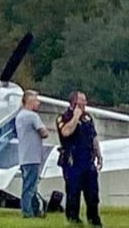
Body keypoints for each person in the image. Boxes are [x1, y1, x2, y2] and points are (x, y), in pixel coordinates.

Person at [56, 91, 103, 227]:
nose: (86, 103)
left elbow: (93, 137)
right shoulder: (63, 117)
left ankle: (94, 219)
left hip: (88, 161)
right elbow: (66, 132)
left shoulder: (88, 118)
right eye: (83, 101)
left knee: (93, 193)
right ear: (75, 103)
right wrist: (75, 117)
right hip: (73, 161)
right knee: (73, 193)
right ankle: (73, 219)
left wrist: (98, 154)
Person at [15, 89, 49, 218]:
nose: (38, 103)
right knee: (29, 187)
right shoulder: (32, 116)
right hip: (33, 157)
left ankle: (36, 210)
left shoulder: (19, 116)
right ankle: (27, 212)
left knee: (31, 186)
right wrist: (44, 130)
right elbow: (44, 132)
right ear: (30, 101)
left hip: (24, 156)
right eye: (36, 100)